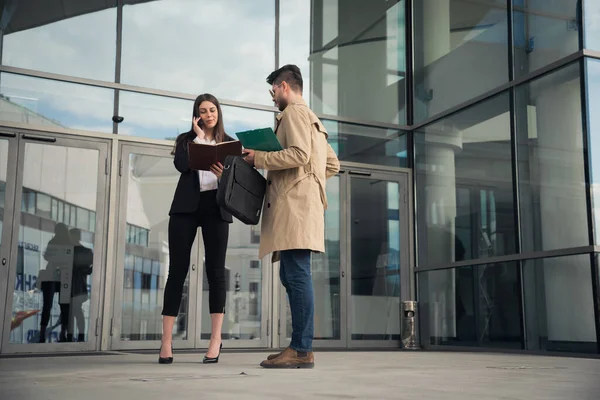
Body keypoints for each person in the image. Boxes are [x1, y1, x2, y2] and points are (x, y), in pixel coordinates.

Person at [244, 64, 340, 368]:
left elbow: (299, 154)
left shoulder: (294, 113)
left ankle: (300, 349)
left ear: (284, 86)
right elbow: (332, 164)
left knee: (296, 275)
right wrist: (310, 182)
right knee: (292, 274)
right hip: (300, 206)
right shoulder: (311, 117)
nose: (272, 96)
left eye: (273, 90)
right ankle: (300, 347)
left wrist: (259, 157)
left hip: (295, 207)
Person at [159, 93, 233, 364]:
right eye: (203, 111)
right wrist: (197, 137)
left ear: (218, 112)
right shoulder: (185, 140)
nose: (208, 114)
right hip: (186, 208)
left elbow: (237, 178)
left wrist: (223, 174)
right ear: (197, 115)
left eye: (212, 109)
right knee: (177, 271)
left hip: (215, 207)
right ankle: (166, 342)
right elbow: (181, 165)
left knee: (216, 272)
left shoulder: (229, 142)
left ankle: (215, 339)